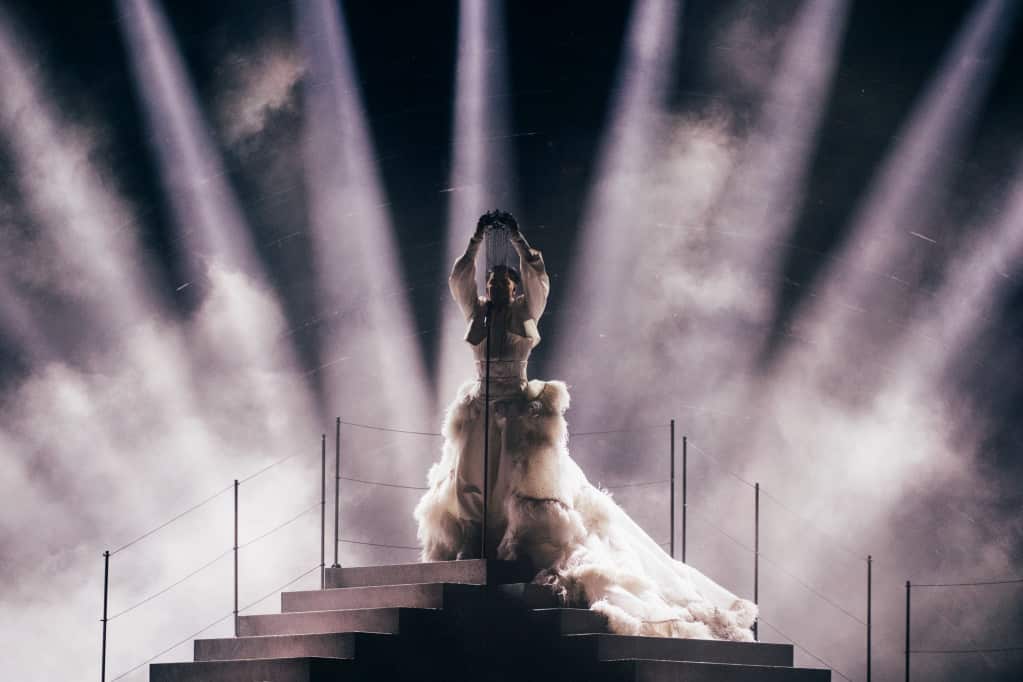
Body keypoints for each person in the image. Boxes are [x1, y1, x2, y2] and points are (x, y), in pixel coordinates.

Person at [414, 210, 757, 641]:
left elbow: (539, 279)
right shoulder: (478, 314)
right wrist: (478, 240)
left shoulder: (524, 311)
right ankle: (476, 541)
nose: (495, 288)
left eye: (502, 283)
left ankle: (517, 546)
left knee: (517, 482)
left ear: (513, 288)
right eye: (491, 283)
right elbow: (458, 280)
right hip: (480, 406)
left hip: (515, 406)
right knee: (470, 477)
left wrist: (516, 238)